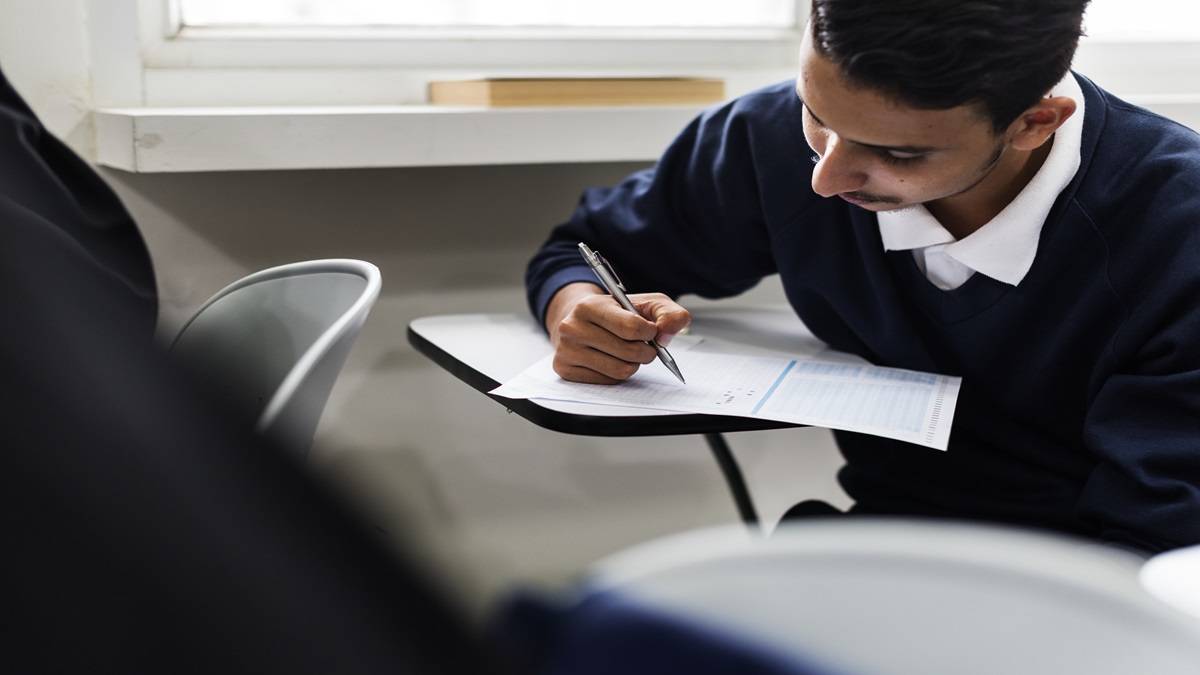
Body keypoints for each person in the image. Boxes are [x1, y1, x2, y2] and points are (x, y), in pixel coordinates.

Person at [525, 0, 1200, 553]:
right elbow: (586, 252)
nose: (825, 177)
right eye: (815, 114)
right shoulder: (769, 138)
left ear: (1033, 123)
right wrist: (579, 313)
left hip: (1092, 584)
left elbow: (1161, 539)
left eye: (897, 153)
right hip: (879, 542)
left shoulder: (1175, 228)